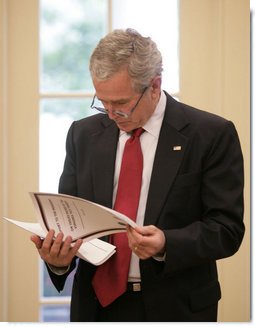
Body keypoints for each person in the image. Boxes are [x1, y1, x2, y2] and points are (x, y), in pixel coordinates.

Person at [31, 28, 245, 322]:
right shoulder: (83, 134)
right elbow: (70, 219)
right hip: (95, 307)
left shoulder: (210, 134)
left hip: (176, 307)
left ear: (154, 86)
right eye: (102, 101)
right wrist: (58, 260)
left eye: (120, 104)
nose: (109, 113)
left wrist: (167, 243)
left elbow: (226, 229)